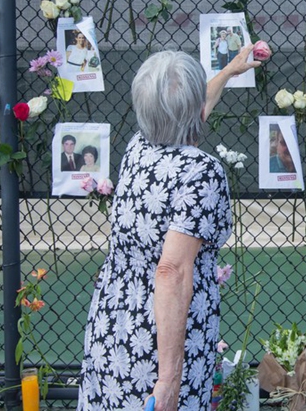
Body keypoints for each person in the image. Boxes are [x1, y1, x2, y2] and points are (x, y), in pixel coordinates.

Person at [76, 45, 260, 411]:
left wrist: (227, 72)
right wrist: (168, 379)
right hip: (162, 340)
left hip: (115, 323)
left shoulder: (138, 147)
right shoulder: (201, 172)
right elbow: (172, 271)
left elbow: (187, 112)